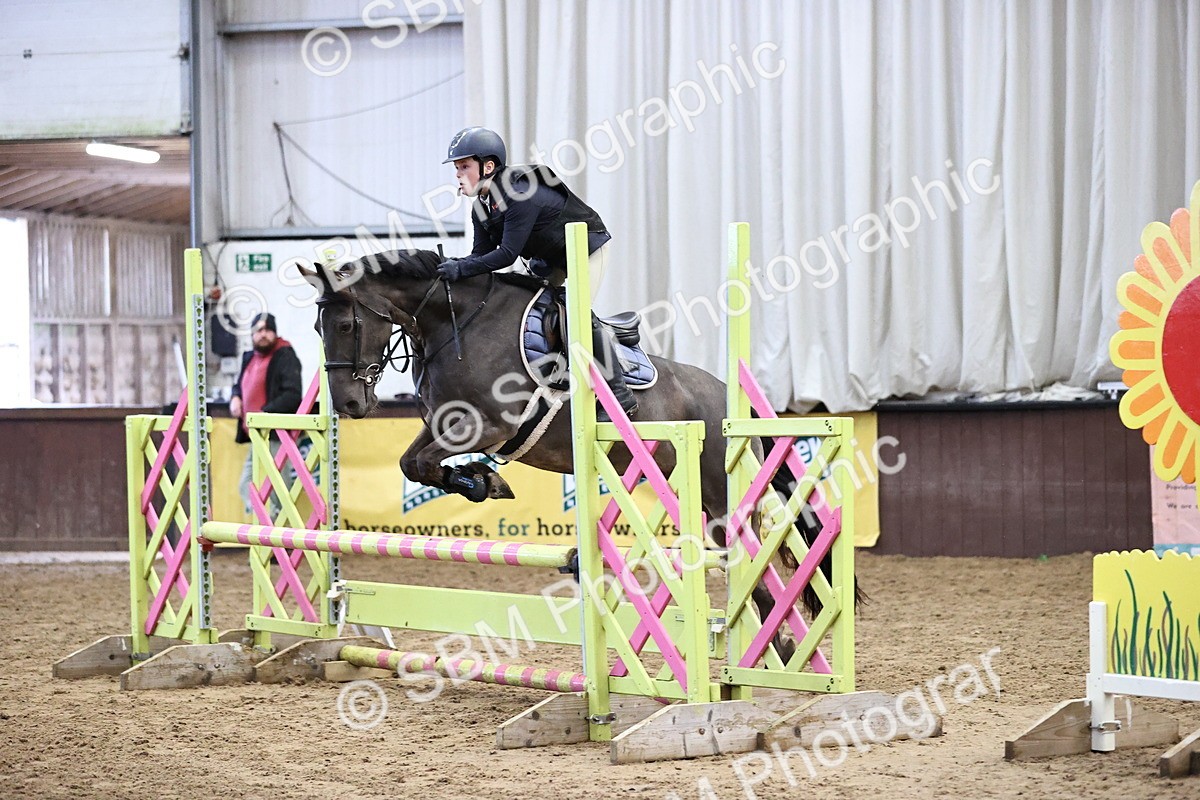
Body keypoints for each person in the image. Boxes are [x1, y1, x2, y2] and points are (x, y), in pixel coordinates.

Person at [436, 126, 638, 421]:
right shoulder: (481, 206)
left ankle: (620, 393)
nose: (458, 174)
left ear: (488, 166)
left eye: (464, 166)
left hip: (586, 248)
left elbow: (505, 255)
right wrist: (455, 268)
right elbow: (480, 256)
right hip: (551, 257)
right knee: (526, 301)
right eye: (456, 168)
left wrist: (462, 268)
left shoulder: (518, 195)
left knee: (575, 311)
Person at [229, 312, 303, 516]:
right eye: (258, 330)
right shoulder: (249, 357)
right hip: (256, 434)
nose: (263, 334)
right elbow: (238, 384)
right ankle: (267, 522)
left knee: (279, 490)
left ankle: (277, 531)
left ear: (275, 333)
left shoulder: (285, 355)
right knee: (247, 484)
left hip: (276, 434)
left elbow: (293, 395)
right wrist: (235, 397)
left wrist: (263, 415)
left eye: (267, 330)